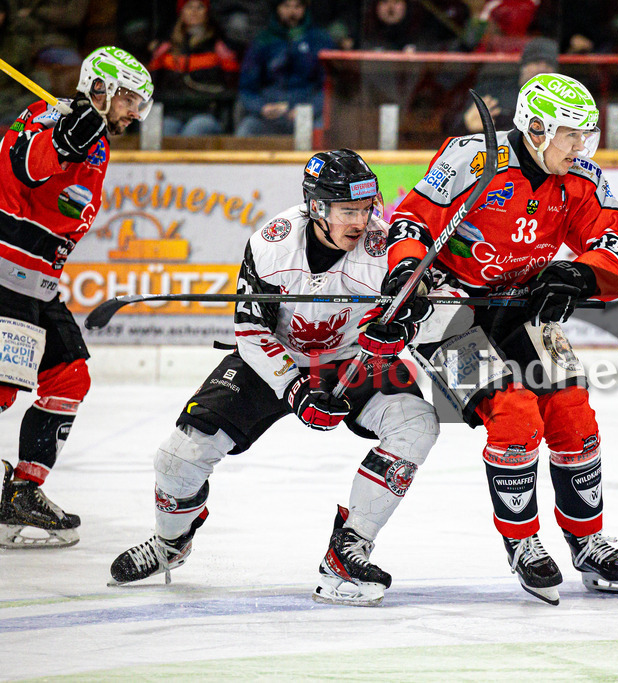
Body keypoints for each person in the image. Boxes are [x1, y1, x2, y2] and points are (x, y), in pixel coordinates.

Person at [108, 150, 447, 607]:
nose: (362, 221)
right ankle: (172, 542)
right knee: (179, 456)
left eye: (368, 208)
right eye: (349, 210)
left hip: (353, 356)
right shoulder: (271, 244)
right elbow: (251, 330)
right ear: (317, 208)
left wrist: (406, 322)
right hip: (275, 356)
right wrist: (295, 388)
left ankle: (349, 549)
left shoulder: (384, 247)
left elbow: (438, 305)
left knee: (418, 425)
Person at [387, 73, 618, 605]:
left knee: (570, 405)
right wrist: (404, 277)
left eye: (586, 136)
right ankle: (523, 545)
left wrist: (577, 275)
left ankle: (586, 539)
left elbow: (615, 242)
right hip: (449, 313)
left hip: (521, 306)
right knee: (515, 412)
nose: (581, 147)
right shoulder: (472, 160)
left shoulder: (581, 177)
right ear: (537, 128)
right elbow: (412, 220)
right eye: (571, 135)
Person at [0, 46, 154, 549]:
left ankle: (23, 493)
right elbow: (24, 166)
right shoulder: (50, 117)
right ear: (102, 89)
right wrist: (61, 141)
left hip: (39, 282)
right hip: (4, 273)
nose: (134, 112)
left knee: (69, 375)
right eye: (128, 99)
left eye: (139, 103)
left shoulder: (99, 143)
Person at [234, 0, 333, 137]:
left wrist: (310, 109)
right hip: (269, 115)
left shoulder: (319, 39)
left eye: (297, 6)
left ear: (305, 9)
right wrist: (261, 108)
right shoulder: (262, 40)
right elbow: (246, 87)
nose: (292, 12)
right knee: (247, 130)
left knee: (322, 133)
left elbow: (328, 86)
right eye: (286, 6)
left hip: (307, 115)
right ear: (277, 8)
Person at [148, 0, 240, 137]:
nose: (194, 12)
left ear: (207, 12)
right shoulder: (166, 47)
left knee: (192, 132)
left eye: (200, 7)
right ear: (181, 12)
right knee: (163, 132)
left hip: (207, 113)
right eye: (189, 7)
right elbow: (151, 84)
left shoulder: (219, 45)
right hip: (173, 112)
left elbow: (232, 84)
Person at [450, 36, 559, 136]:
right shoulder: (494, 91)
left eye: (548, 65)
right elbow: (454, 127)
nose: (542, 69)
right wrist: (466, 125)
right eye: (536, 63)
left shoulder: (560, 100)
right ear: (523, 65)